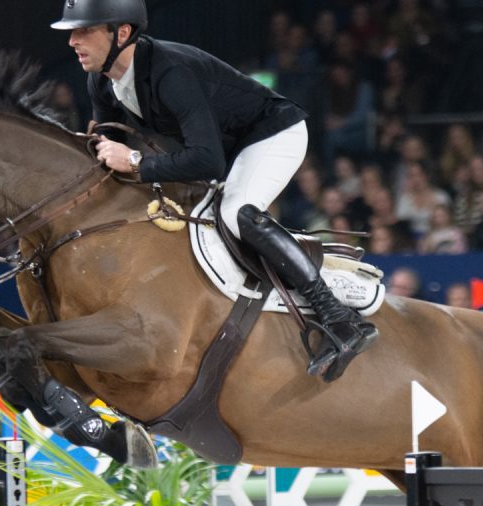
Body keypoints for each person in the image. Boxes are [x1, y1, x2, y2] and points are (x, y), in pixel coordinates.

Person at [55, 0, 375, 382]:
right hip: (229, 148)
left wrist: (138, 161)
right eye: (73, 31)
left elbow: (206, 162)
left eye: (84, 30)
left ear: (121, 33)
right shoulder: (101, 80)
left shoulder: (169, 71)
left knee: (236, 212)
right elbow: (108, 148)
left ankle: (338, 318)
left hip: (273, 133)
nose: (73, 40)